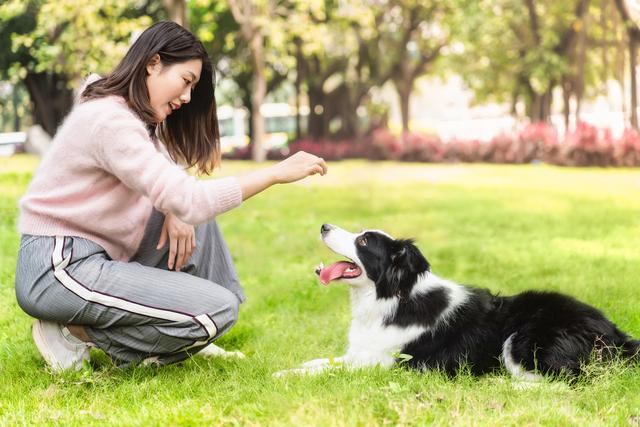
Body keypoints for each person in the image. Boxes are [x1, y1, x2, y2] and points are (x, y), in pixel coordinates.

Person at [14, 21, 327, 371]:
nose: (187, 97)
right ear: (153, 63)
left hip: (94, 257)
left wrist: (176, 210)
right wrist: (274, 173)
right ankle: (76, 332)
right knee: (218, 307)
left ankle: (190, 330)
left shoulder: (128, 115)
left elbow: (174, 188)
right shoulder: (109, 120)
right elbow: (190, 197)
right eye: (186, 81)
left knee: (196, 224)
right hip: (59, 267)